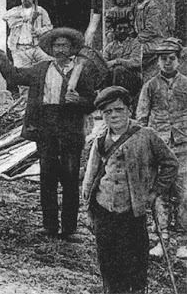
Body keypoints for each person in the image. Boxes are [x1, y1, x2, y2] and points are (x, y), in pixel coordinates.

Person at [0, 28, 96, 241]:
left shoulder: (81, 71)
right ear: (50, 49)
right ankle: (49, 226)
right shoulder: (41, 69)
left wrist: (79, 101)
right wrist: (3, 61)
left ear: (71, 49)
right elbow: (16, 75)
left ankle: (69, 229)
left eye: (64, 46)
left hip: (70, 128)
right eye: (56, 46)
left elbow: (92, 101)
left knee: (69, 180)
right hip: (46, 129)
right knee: (47, 178)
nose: (60, 50)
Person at [83, 86, 178, 294]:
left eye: (119, 109)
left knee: (135, 262)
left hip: (132, 213)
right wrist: (89, 211)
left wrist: (154, 192)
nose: (114, 115)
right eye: (108, 112)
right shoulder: (100, 140)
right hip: (104, 209)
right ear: (102, 115)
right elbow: (90, 177)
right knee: (108, 262)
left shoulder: (146, 136)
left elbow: (171, 163)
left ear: (129, 109)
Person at [136, 37, 187, 259]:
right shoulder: (150, 85)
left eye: (172, 59)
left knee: (183, 192)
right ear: (157, 61)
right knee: (159, 192)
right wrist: (144, 142)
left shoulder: (185, 83)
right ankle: (162, 238)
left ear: (179, 61)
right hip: (159, 145)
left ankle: (184, 240)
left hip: (184, 144)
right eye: (163, 59)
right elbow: (141, 116)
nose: (167, 63)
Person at [2, 0, 53, 69]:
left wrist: (39, 31)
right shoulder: (15, 10)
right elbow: (4, 16)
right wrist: (22, 16)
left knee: (49, 65)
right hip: (20, 50)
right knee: (22, 74)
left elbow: (49, 27)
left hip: (36, 48)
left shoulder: (40, 11)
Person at [130, 0, 166, 82]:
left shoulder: (152, 6)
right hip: (140, 39)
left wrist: (136, 40)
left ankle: (142, 80)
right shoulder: (135, 6)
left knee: (136, 52)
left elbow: (152, 29)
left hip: (153, 41)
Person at [102, 17, 142, 101]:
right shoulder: (110, 47)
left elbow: (135, 62)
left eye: (125, 28)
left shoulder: (135, 44)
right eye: (119, 28)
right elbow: (103, 64)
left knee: (118, 69)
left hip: (132, 78)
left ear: (129, 30)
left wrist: (117, 61)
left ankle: (119, 98)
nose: (122, 31)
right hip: (113, 77)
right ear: (114, 30)